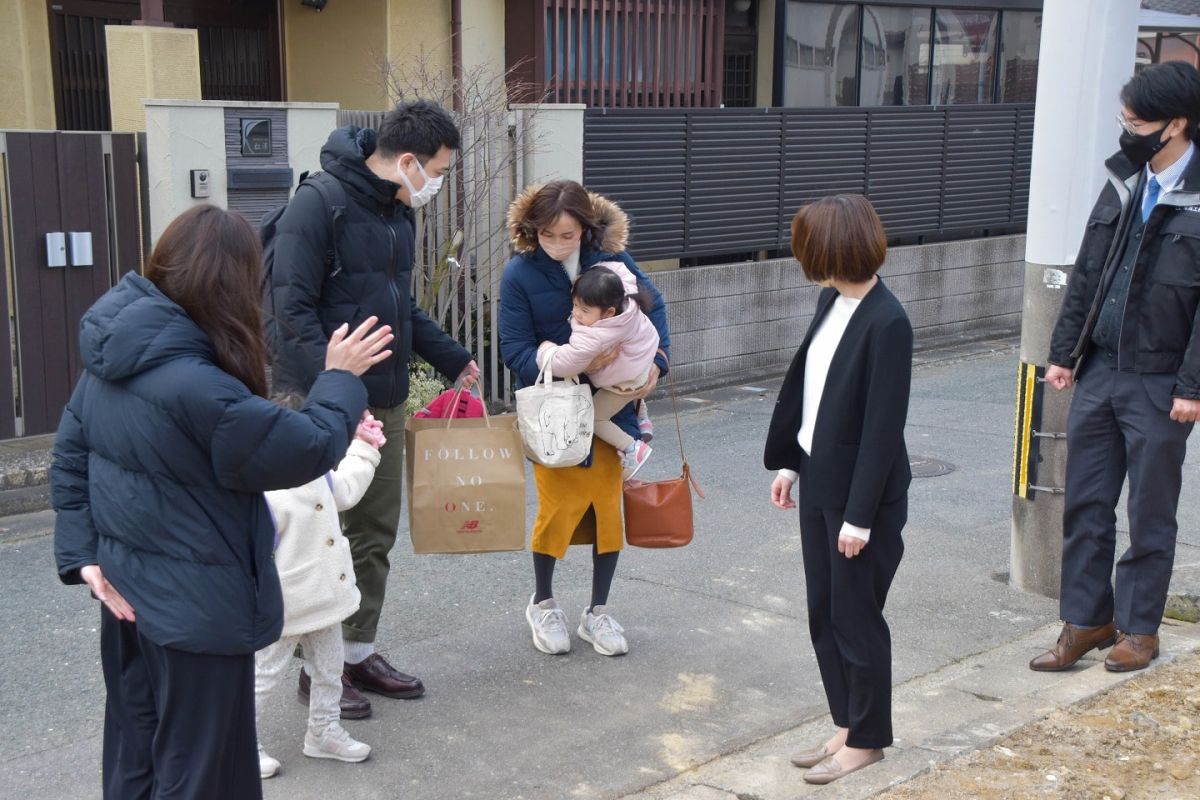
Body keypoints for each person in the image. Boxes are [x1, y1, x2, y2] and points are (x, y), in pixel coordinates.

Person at [51, 205, 392, 800]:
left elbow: (70, 457)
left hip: (129, 599)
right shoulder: (195, 384)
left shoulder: (113, 357)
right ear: (228, 281)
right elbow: (301, 449)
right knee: (203, 770)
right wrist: (340, 377)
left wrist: (85, 557)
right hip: (196, 609)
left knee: (137, 752)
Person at [267, 99, 480, 714]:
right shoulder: (319, 203)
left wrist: (451, 357)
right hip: (321, 401)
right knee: (318, 535)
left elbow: (399, 306)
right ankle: (316, 668)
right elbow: (291, 314)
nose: (437, 184)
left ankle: (355, 654)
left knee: (373, 532)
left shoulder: (395, 212)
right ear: (408, 160)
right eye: (437, 170)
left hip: (382, 398)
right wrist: (337, 396)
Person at [1031, 62, 1200, 674]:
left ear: (1176, 124)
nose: (1127, 130)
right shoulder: (1125, 177)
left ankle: (1141, 628)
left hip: (1162, 382)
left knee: (1149, 510)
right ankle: (1086, 619)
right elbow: (1088, 270)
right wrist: (1062, 351)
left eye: (1139, 121)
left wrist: (1193, 387)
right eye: (1124, 119)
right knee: (1085, 502)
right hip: (1100, 368)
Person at [765, 195, 912, 786]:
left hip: (860, 499)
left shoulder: (888, 321)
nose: (803, 258)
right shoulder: (832, 300)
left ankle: (870, 738)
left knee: (857, 618)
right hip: (819, 477)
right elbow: (812, 393)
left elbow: (882, 429)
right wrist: (792, 465)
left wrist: (859, 518)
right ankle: (848, 724)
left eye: (808, 248)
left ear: (830, 251)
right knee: (824, 612)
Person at [499, 180, 670, 656]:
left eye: (568, 235)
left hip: (614, 405)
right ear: (532, 231)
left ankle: (598, 612)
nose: (557, 245)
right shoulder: (519, 274)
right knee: (557, 511)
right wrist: (563, 361)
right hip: (555, 414)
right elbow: (512, 347)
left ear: (587, 229)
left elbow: (655, 313)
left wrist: (656, 365)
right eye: (547, 235)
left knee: (608, 514)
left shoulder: (613, 263)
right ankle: (544, 601)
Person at [255, 406, 386, 779]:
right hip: (286, 604)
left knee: (329, 668)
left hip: (326, 597)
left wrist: (363, 447)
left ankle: (323, 731)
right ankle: (239, 741)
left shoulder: (317, 473)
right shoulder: (263, 489)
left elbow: (347, 489)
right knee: (263, 674)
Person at [535, 261, 660, 480]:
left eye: (584, 310)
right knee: (628, 380)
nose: (576, 313)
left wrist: (546, 350)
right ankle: (643, 415)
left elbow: (567, 363)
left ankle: (632, 448)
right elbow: (621, 268)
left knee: (592, 418)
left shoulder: (593, 336)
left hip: (625, 382)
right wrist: (594, 272)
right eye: (574, 305)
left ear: (608, 312)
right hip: (643, 362)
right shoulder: (627, 298)